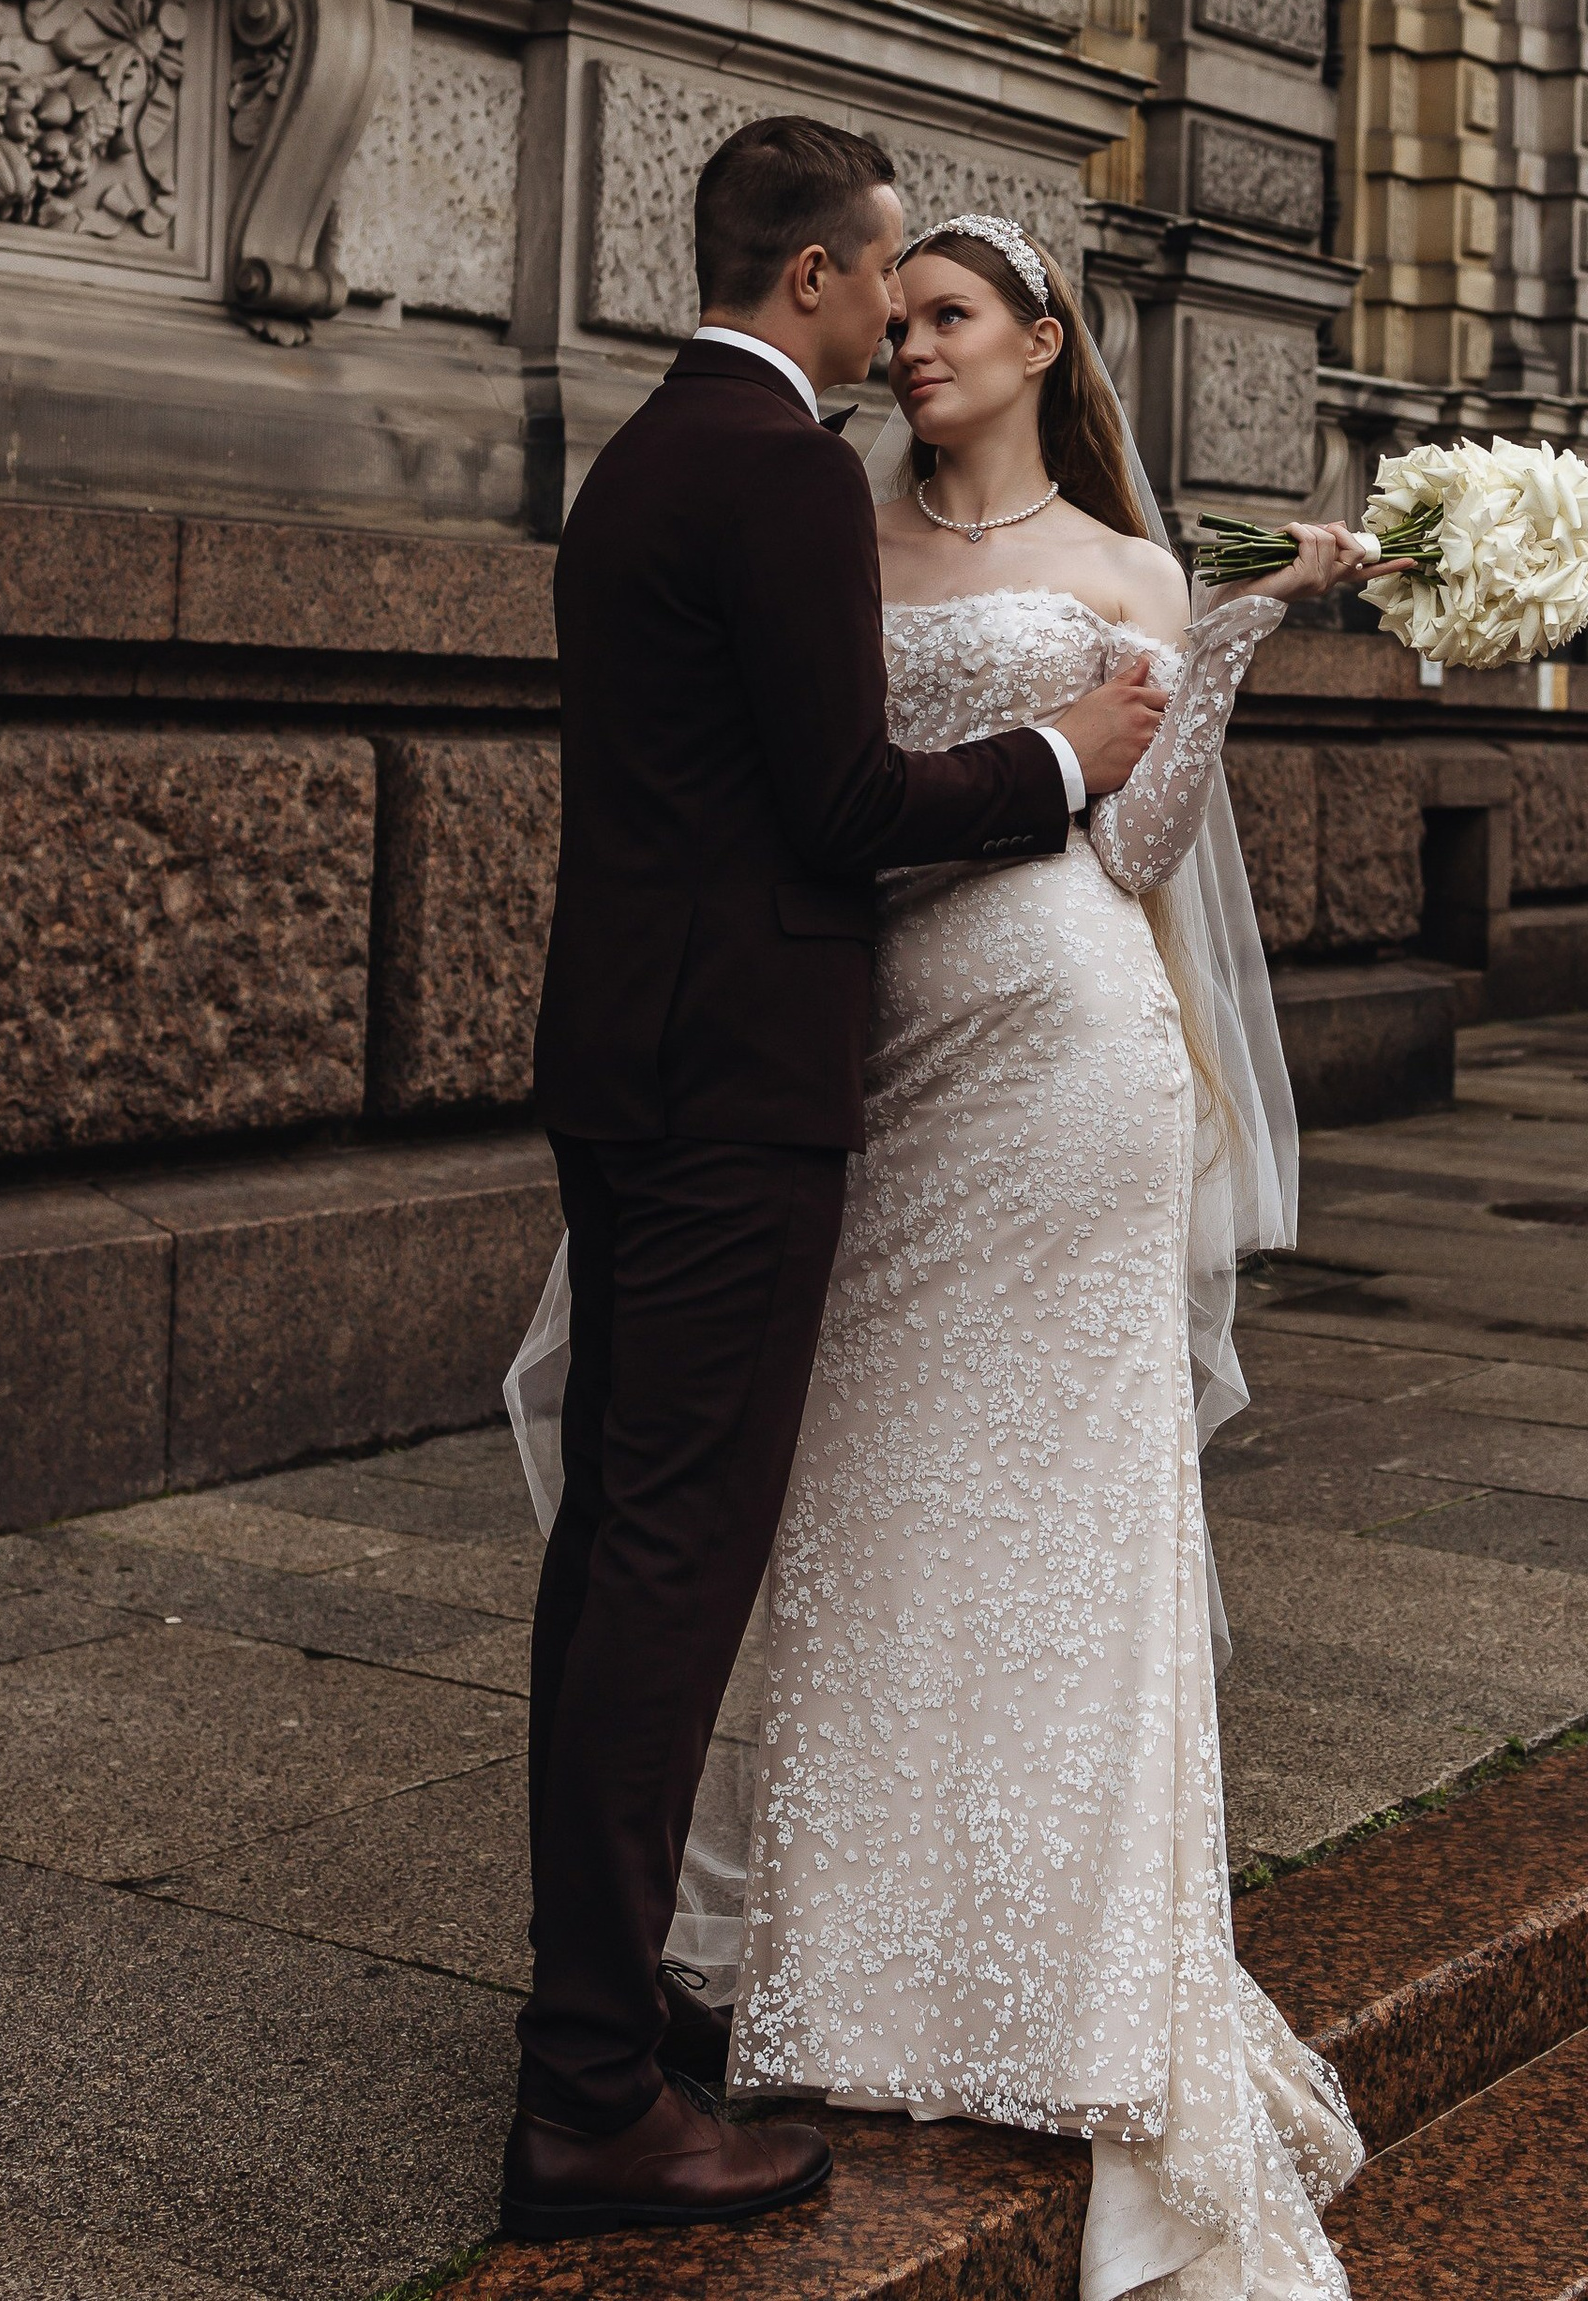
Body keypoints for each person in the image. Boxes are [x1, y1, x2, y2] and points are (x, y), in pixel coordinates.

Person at [500, 120, 1171, 2244]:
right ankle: (589, 2096)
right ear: (813, 276)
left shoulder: (637, 455)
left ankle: (604, 2022)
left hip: (631, 1061)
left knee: (619, 1548)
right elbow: (836, 803)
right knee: (675, 1564)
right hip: (739, 1086)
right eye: (884, 278)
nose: (896, 319)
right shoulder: (784, 472)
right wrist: (1063, 758)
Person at [720, 216, 1374, 2298]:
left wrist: (1234, 638)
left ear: (1037, 340)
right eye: (895, 316)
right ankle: (855, 1968)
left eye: (947, 318)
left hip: (1073, 1052)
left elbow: (1137, 845)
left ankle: (1067, 1985)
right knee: (868, 1486)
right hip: (883, 1052)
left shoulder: (1127, 566)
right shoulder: (835, 539)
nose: (910, 347)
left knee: (1069, 1508)